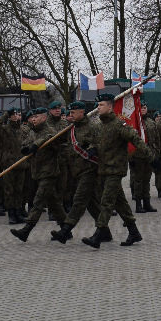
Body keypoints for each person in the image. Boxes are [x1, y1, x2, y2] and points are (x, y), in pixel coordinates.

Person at [81, 93, 153, 249]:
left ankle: (98, 235)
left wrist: (151, 157)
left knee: (106, 202)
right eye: (98, 105)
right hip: (103, 169)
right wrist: (92, 149)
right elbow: (94, 142)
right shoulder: (99, 126)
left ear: (110, 107)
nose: (98, 108)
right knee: (120, 203)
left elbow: (136, 139)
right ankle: (134, 232)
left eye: (101, 105)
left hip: (115, 169)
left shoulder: (119, 125)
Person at [50, 101, 108, 244]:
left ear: (81, 112)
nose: (70, 115)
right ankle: (105, 232)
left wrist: (92, 147)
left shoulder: (92, 127)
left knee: (79, 201)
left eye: (72, 113)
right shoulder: (71, 129)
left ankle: (65, 231)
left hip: (90, 169)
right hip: (77, 170)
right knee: (91, 204)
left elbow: (101, 142)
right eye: (69, 113)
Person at [9, 107, 67, 242]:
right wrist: (26, 148)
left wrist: (38, 144)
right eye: (32, 117)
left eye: (36, 117)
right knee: (54, 203)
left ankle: (26, 230)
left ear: (44, 117)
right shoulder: (32, 131)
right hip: (37, 171)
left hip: (49, 172)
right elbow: (27, 143)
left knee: (38, 201)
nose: (33, 119)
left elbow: (54, 142)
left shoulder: (50, 131)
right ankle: (66, 229)